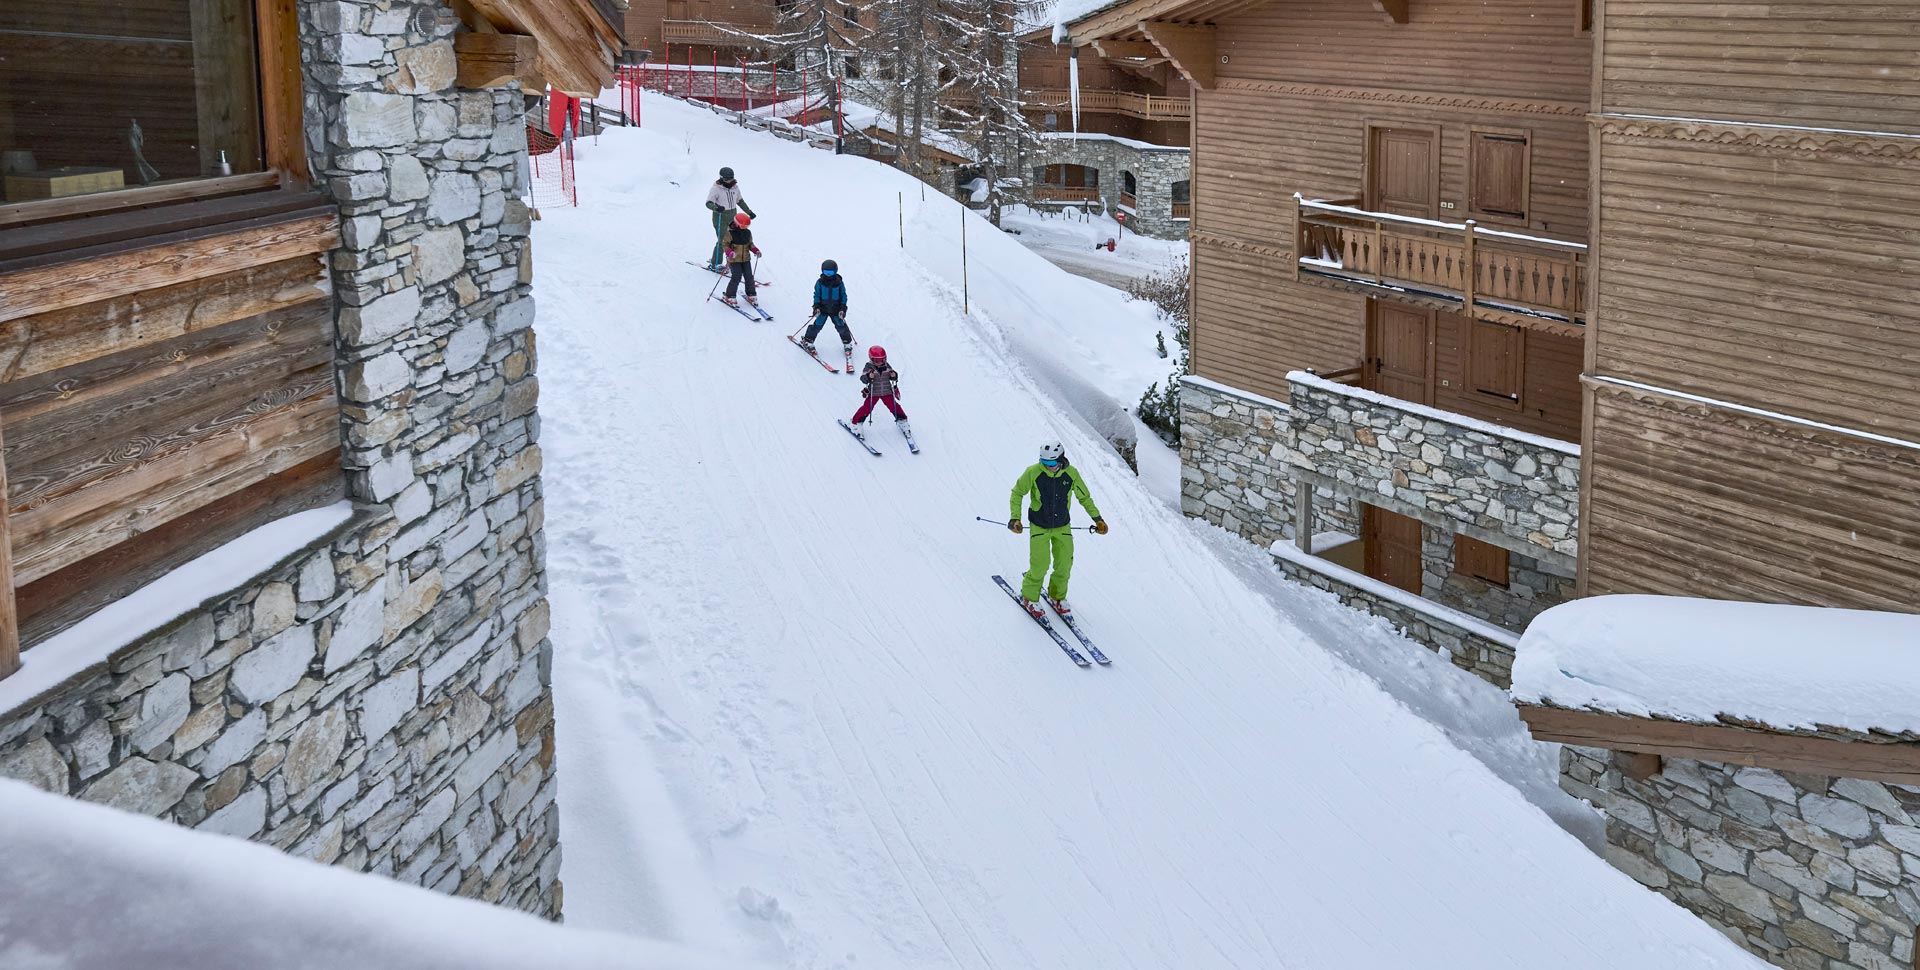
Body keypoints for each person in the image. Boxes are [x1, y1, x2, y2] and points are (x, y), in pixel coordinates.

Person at [1007, 442, 1107, 619]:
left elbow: (1085, 498)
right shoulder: (1033, 472)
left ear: (1061, 460)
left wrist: (1097, 519)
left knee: (1064, 565)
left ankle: (1057, 597)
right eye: (1043, 462)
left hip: (1062, 526)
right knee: (1040, 565)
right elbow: (1017, 493)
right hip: (1039, 525)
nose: (1047, 466)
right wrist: (1015, 518)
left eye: (1051, 464)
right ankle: (1029, 597)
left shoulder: (1071, 474)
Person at [850, 346, 909, 437]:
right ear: (871, 359)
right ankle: (855, 423)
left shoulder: (887, 365)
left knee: (894, 406)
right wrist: (869, 377)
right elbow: (863, 378)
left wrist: (894, 375)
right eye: (877, 361)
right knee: (867, 408)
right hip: (874, 392)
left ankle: (902, 420)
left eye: (882, 360)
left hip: (887, 392)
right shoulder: (868, 367)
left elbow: (892, 376)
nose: (880, 362)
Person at [704, 167, 756, 271]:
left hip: (733, 216)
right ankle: (716, 263)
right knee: (722, 241)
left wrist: (749, 212)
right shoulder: (716, 188)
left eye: (731, 178)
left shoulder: (735, 188)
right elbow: (708, 203)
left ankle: (732, 261)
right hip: (720, 217)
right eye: (727, 178)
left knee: (734, 239)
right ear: (721, 178)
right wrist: (716, 208)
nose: (729, 180)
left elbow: (740, 201)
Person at [799, 259, 853, 358]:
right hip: (823, 309)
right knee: (817, 325)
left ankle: (847, 343)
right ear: (822, 271)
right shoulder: (820, 282)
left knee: (841, 326)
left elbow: (843, 296)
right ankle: (808, 341)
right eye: (826, 272)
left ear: (835, 272)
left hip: (836, 310)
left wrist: (842, 308)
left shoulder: (839, 283)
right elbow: (817, 295)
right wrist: (816, 307)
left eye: (831, 272)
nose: (828, 275)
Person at [721, 212, 761, 307]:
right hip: (734, 259)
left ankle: (751, 294)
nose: (745, 228)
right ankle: (729, 295)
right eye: (743, 226)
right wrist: (729, 252)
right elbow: (725, 245)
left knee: (749, 277)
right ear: (737, 224)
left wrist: (756, 250)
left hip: (746, 259)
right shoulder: (730, 233)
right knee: (736, 277)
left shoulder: (747, 232)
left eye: (746, 226)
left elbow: (750, 244)